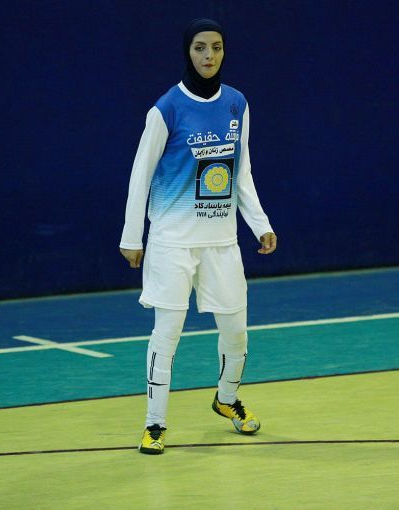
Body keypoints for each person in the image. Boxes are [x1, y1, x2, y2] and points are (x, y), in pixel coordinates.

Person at [120, 18, 277, 455]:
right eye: (200, 47)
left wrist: (260, 224)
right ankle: (154, 423)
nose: (209, 55)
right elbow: (140, 175)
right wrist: (132, 237)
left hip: (222, 242)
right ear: (187, 52)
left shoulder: (237, 104)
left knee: (237, 331)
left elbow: (241, 171)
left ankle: (227, 400)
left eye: (216, 47)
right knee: (167, 333)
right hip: (172, 241)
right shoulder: (166, 109)